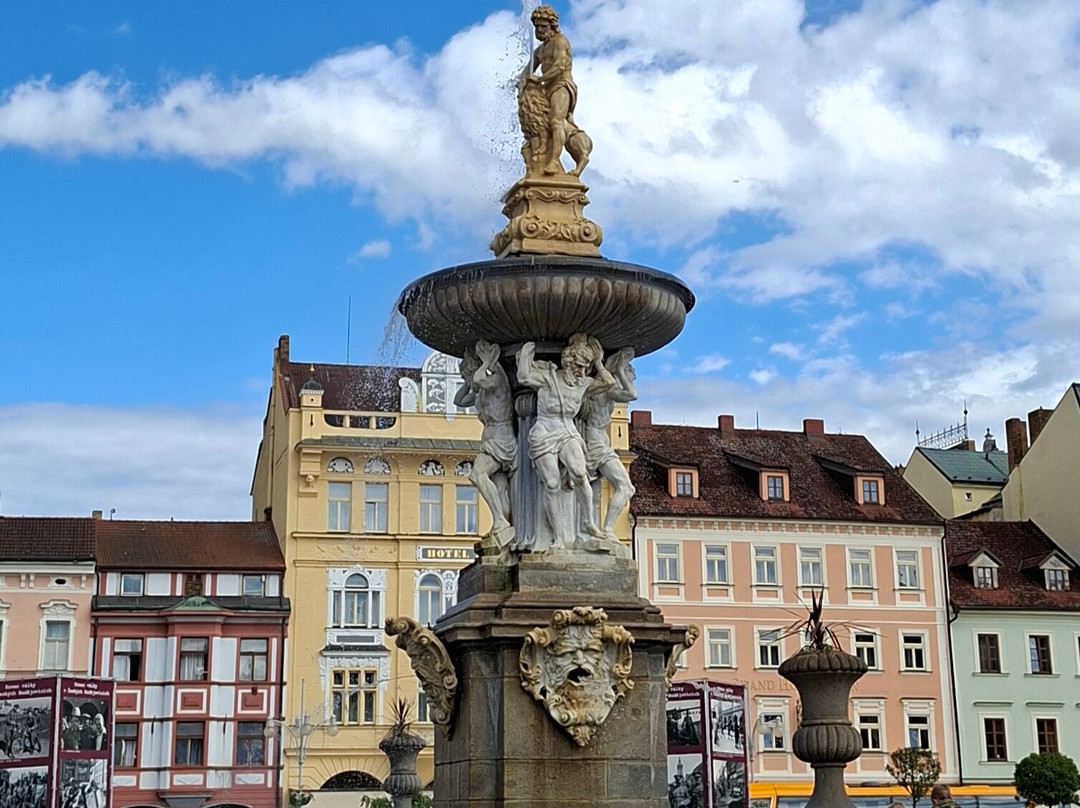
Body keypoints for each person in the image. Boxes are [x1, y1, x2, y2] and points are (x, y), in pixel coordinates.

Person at [517, 334, 613, 550]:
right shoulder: (549, 377)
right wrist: (525, 355)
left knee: (580, 474)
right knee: (551, 485)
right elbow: (523, 378)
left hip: (568, 430)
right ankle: (558, 537)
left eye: (586, 367)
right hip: (544, 431)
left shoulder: (584, 383)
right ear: (568, 361)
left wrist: (598, 362)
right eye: (579, 365)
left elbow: (608, 382)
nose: (582, 371)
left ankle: (589, 523)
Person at [454, 341, 517, 557]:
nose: (469, 376)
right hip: (492, 439)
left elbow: (481, 378)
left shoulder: (497, 381)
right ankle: (506, 527)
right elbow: (459, 400)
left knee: (477, 474)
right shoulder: (481, 391)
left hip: (502, 440)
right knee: (500, 490)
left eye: (469, 371)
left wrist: (488, 361)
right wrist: (468, 382)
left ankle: (500, 520)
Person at [581, 347, 636, 542]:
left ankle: (592, 530)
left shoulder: (600, 387)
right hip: (595, 443)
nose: (630, 381)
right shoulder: (604, 389)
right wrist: (621, 369)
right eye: (630, 376)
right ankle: (608, 530)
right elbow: (632, 394)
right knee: (626, 487)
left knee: (594, 495)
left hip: (595, 441)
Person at [524, 5, 582, 175]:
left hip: (561, 85)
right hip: (546, 88)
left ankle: (554, 162)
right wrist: (520, 84)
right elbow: (528, 70)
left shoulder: (560, 41)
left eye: (544, 27)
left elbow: (559, 66)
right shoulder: (540, 50)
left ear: (552, 26)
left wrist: (539, 79)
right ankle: (542, 152)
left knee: (555, 122)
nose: (540, 30)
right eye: (537, 27)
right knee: (540, 124)